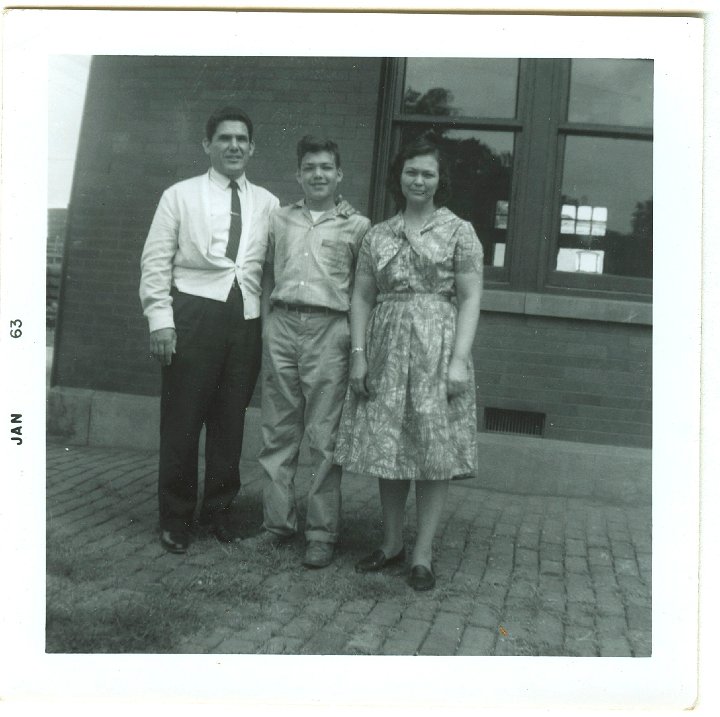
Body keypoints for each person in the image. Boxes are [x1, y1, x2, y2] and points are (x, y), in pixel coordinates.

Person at [334, 133, 483, 590]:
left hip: (437, 348)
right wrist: (358, 356)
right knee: (390, 445)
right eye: (411, 171)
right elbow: (361, 296)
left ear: (440, 180)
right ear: (399, 177)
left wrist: (458, 360)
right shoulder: (378, 234)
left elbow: (471, 295)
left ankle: (423, 553)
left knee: (433, 451)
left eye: (428, 173)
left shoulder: (459, 231)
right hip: (385, 348)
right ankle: (392, 542)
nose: (419, 180)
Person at [139, 106, 279, 554]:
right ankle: (175, 519)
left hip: (246, 318)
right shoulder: (179, 195)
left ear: (252, 148)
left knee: (229, 421)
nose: (234, 145)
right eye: (224, 138)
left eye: (241, 139)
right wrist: (161, 320)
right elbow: (155, 261)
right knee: (183, 420)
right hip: (193, 314)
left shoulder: (269, 203)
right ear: (208, 145)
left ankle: (219, 511)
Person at [258, 136, 371, 569]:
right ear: (299, 174)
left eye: (326, 167)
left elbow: (364, 291)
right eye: (310, 167)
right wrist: (270, 322)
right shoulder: (279, 219)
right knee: (278, 432)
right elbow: (267, 272)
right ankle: (276, 525)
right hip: (283, 324)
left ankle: (321, 533)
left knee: (324, 437)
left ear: (339, 174)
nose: (318, 174)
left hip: (330, 329)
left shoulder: (357, 226)